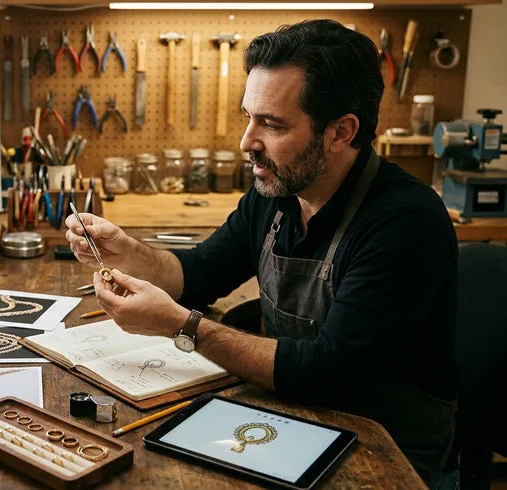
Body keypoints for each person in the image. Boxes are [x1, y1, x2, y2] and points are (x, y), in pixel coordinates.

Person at [67, 20, 456, 486]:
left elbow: (334, 372)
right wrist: (126, 251)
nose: (246, 142)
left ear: (341, 132)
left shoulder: (405, 221)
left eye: (271, 124)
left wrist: (182, 326)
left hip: (385, 453)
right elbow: (199, 273)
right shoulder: (277, 193)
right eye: (248, 117)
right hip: (293, 419)